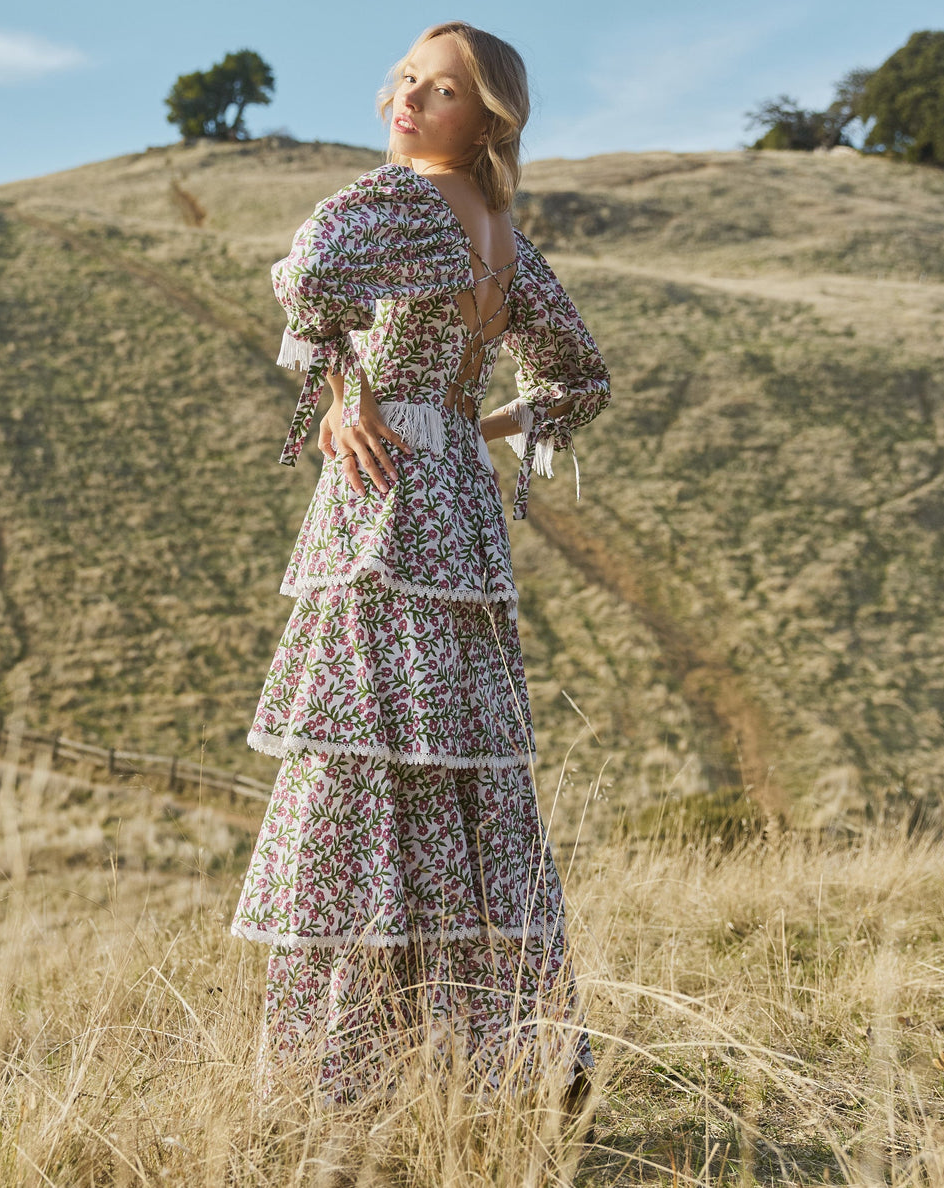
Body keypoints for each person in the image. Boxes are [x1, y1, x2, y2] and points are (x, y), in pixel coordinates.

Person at [230, 21, 611, 1107]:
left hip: (385, 507)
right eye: (405, 78)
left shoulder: (398, 203)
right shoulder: (504, 237)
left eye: (438, 91)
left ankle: (344, 1080)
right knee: (460, 785)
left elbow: (305, 278)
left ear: (485, 118)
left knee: (360, 775)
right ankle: (498, 1062)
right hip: (458, 509)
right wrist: (469, 427)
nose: (406, 100)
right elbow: (580, 380)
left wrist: (349, 400)